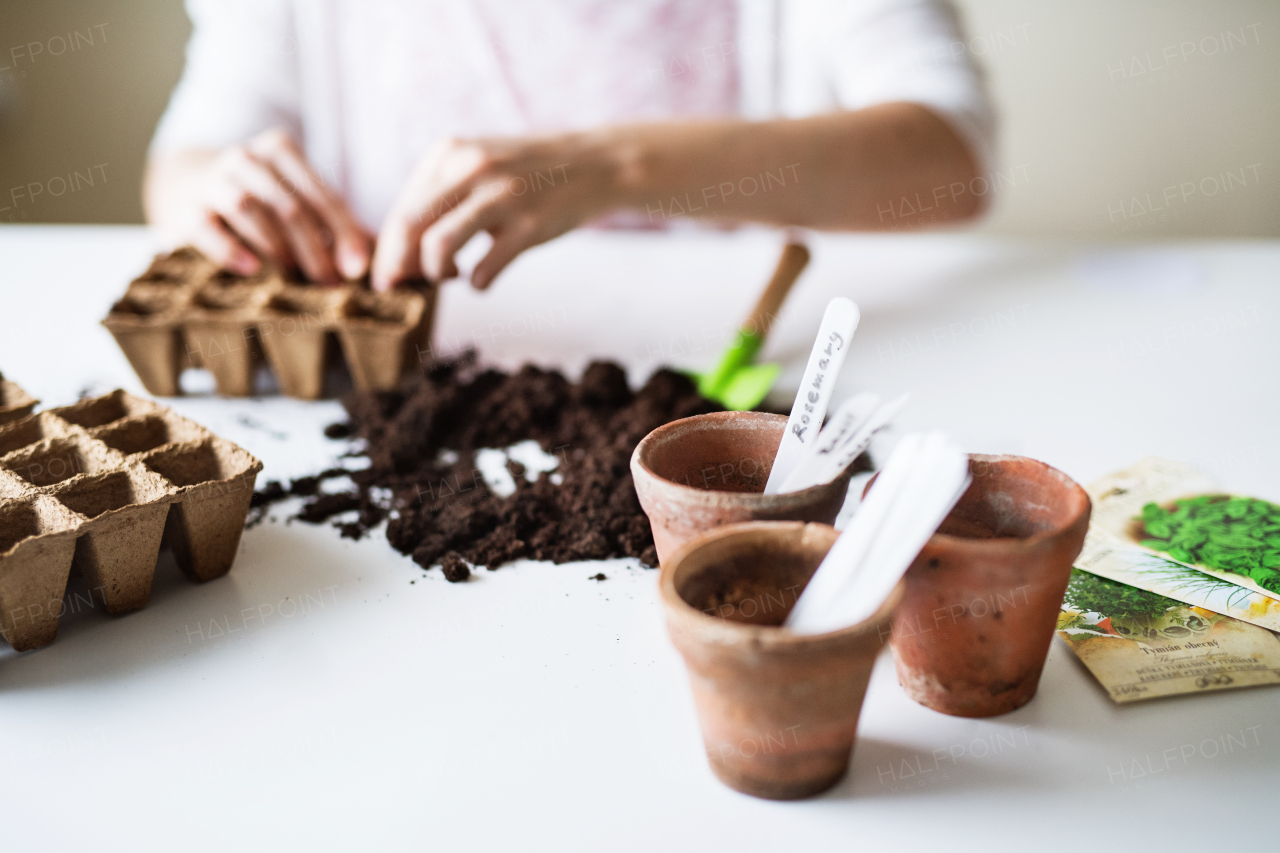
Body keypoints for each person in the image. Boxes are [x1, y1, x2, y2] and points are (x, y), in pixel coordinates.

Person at [144, 0, 995, 292]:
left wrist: (616, 169)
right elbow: (185, 163)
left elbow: (948, 158)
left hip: (712, 390)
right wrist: (216, 190)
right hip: (394, 414)